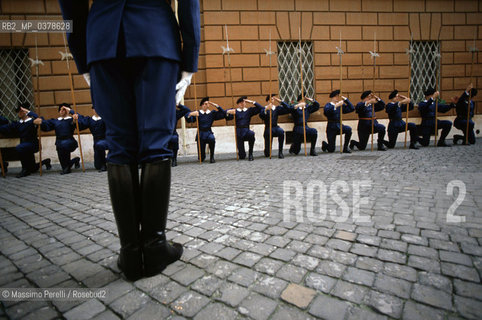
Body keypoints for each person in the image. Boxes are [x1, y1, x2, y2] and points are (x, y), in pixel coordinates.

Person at [58, 0, 200, 280]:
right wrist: (190, 56)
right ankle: (155, 246)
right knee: (156, 143)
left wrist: (82, 54)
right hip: (155, 35)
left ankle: (131, 252)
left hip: (102, 41)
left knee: (119, 148)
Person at [0, 103, 51, 177]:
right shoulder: (18, 123)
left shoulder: (33, 121)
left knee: (20, 148)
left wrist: (30, 113)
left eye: (21, 111)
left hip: (33, 144)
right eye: (19, 111)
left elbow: (43, 123)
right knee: (33, 168)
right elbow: (6, 128)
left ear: (26, 112)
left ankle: (25, 170)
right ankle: (46, 161)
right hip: (24, 144)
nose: (19, 113)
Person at [34, 103, 80, 175]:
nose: (61, 111)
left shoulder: (71, 120)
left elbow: (75, 121)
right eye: (60, 110)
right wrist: (41, 122)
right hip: (59, 142)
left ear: (67, 111)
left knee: (65, 148)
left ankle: (67, 168)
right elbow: (46, 125)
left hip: (69, 141)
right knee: (62, 157)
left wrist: (72, 113)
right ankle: (74, 161)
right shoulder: (55, 121)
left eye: (63, 110)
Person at [186, 97, 225, 163]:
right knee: (201, 158)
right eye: (204, 104)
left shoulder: (212, 113)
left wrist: (216, 105)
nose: (206, 105)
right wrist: (190, 114)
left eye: (207, 104)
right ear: (202, 105)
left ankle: (212, 157)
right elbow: (189, 120)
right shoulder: (198, 113)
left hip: (208, 132)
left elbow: (223, 113)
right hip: (200, 133)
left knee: (212, 139)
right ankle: (202, 156)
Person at [226, 96, 262, 161]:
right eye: (240, 103)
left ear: (246, 103)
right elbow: (227, 117)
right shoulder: (235, 111)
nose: (242, 104)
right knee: (242, 156)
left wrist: (252, 102)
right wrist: (228, 112)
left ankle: (250, 153)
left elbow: (260, 108)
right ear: (238, 104)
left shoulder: (249, 111)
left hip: (246, 130)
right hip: (239, 132)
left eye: (244, 102)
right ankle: (242, 153)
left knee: (251, 134)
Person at [77, 106, 109, 171]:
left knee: (100, 145)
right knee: (97, 165)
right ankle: (105, 161)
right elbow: (81, 118)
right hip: (96, 140)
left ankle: (104, 165)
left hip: (106, 140)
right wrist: (72, 114)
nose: (96, 110)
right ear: (93, 110)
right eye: (94, 109)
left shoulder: (105, 119)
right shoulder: (90, 120)